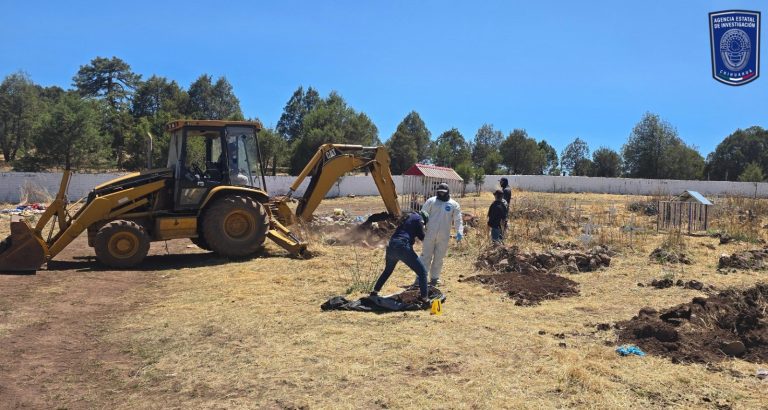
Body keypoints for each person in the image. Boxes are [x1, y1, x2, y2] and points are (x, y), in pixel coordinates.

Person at [371, 210, 431, 304]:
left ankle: (374, 292)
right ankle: (425, 298)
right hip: (402, 246)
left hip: (391, 245)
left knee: (387, 270)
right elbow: (422, 236)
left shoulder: (408, 217)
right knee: (422, 272)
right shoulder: (419, 219)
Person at [419, 183, 464, 286]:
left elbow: (458, 219)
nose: (441, 194)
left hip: (444, 236)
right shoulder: (431, 201)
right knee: (425, 256)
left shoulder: (453, 204)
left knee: (439, 258)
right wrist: (420, 228)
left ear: (448, 192)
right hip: (429, 234)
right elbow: (422, 215)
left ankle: (435, 278)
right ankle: (420, 277)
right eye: (439, 192)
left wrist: (459, 232)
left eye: (443, 192)